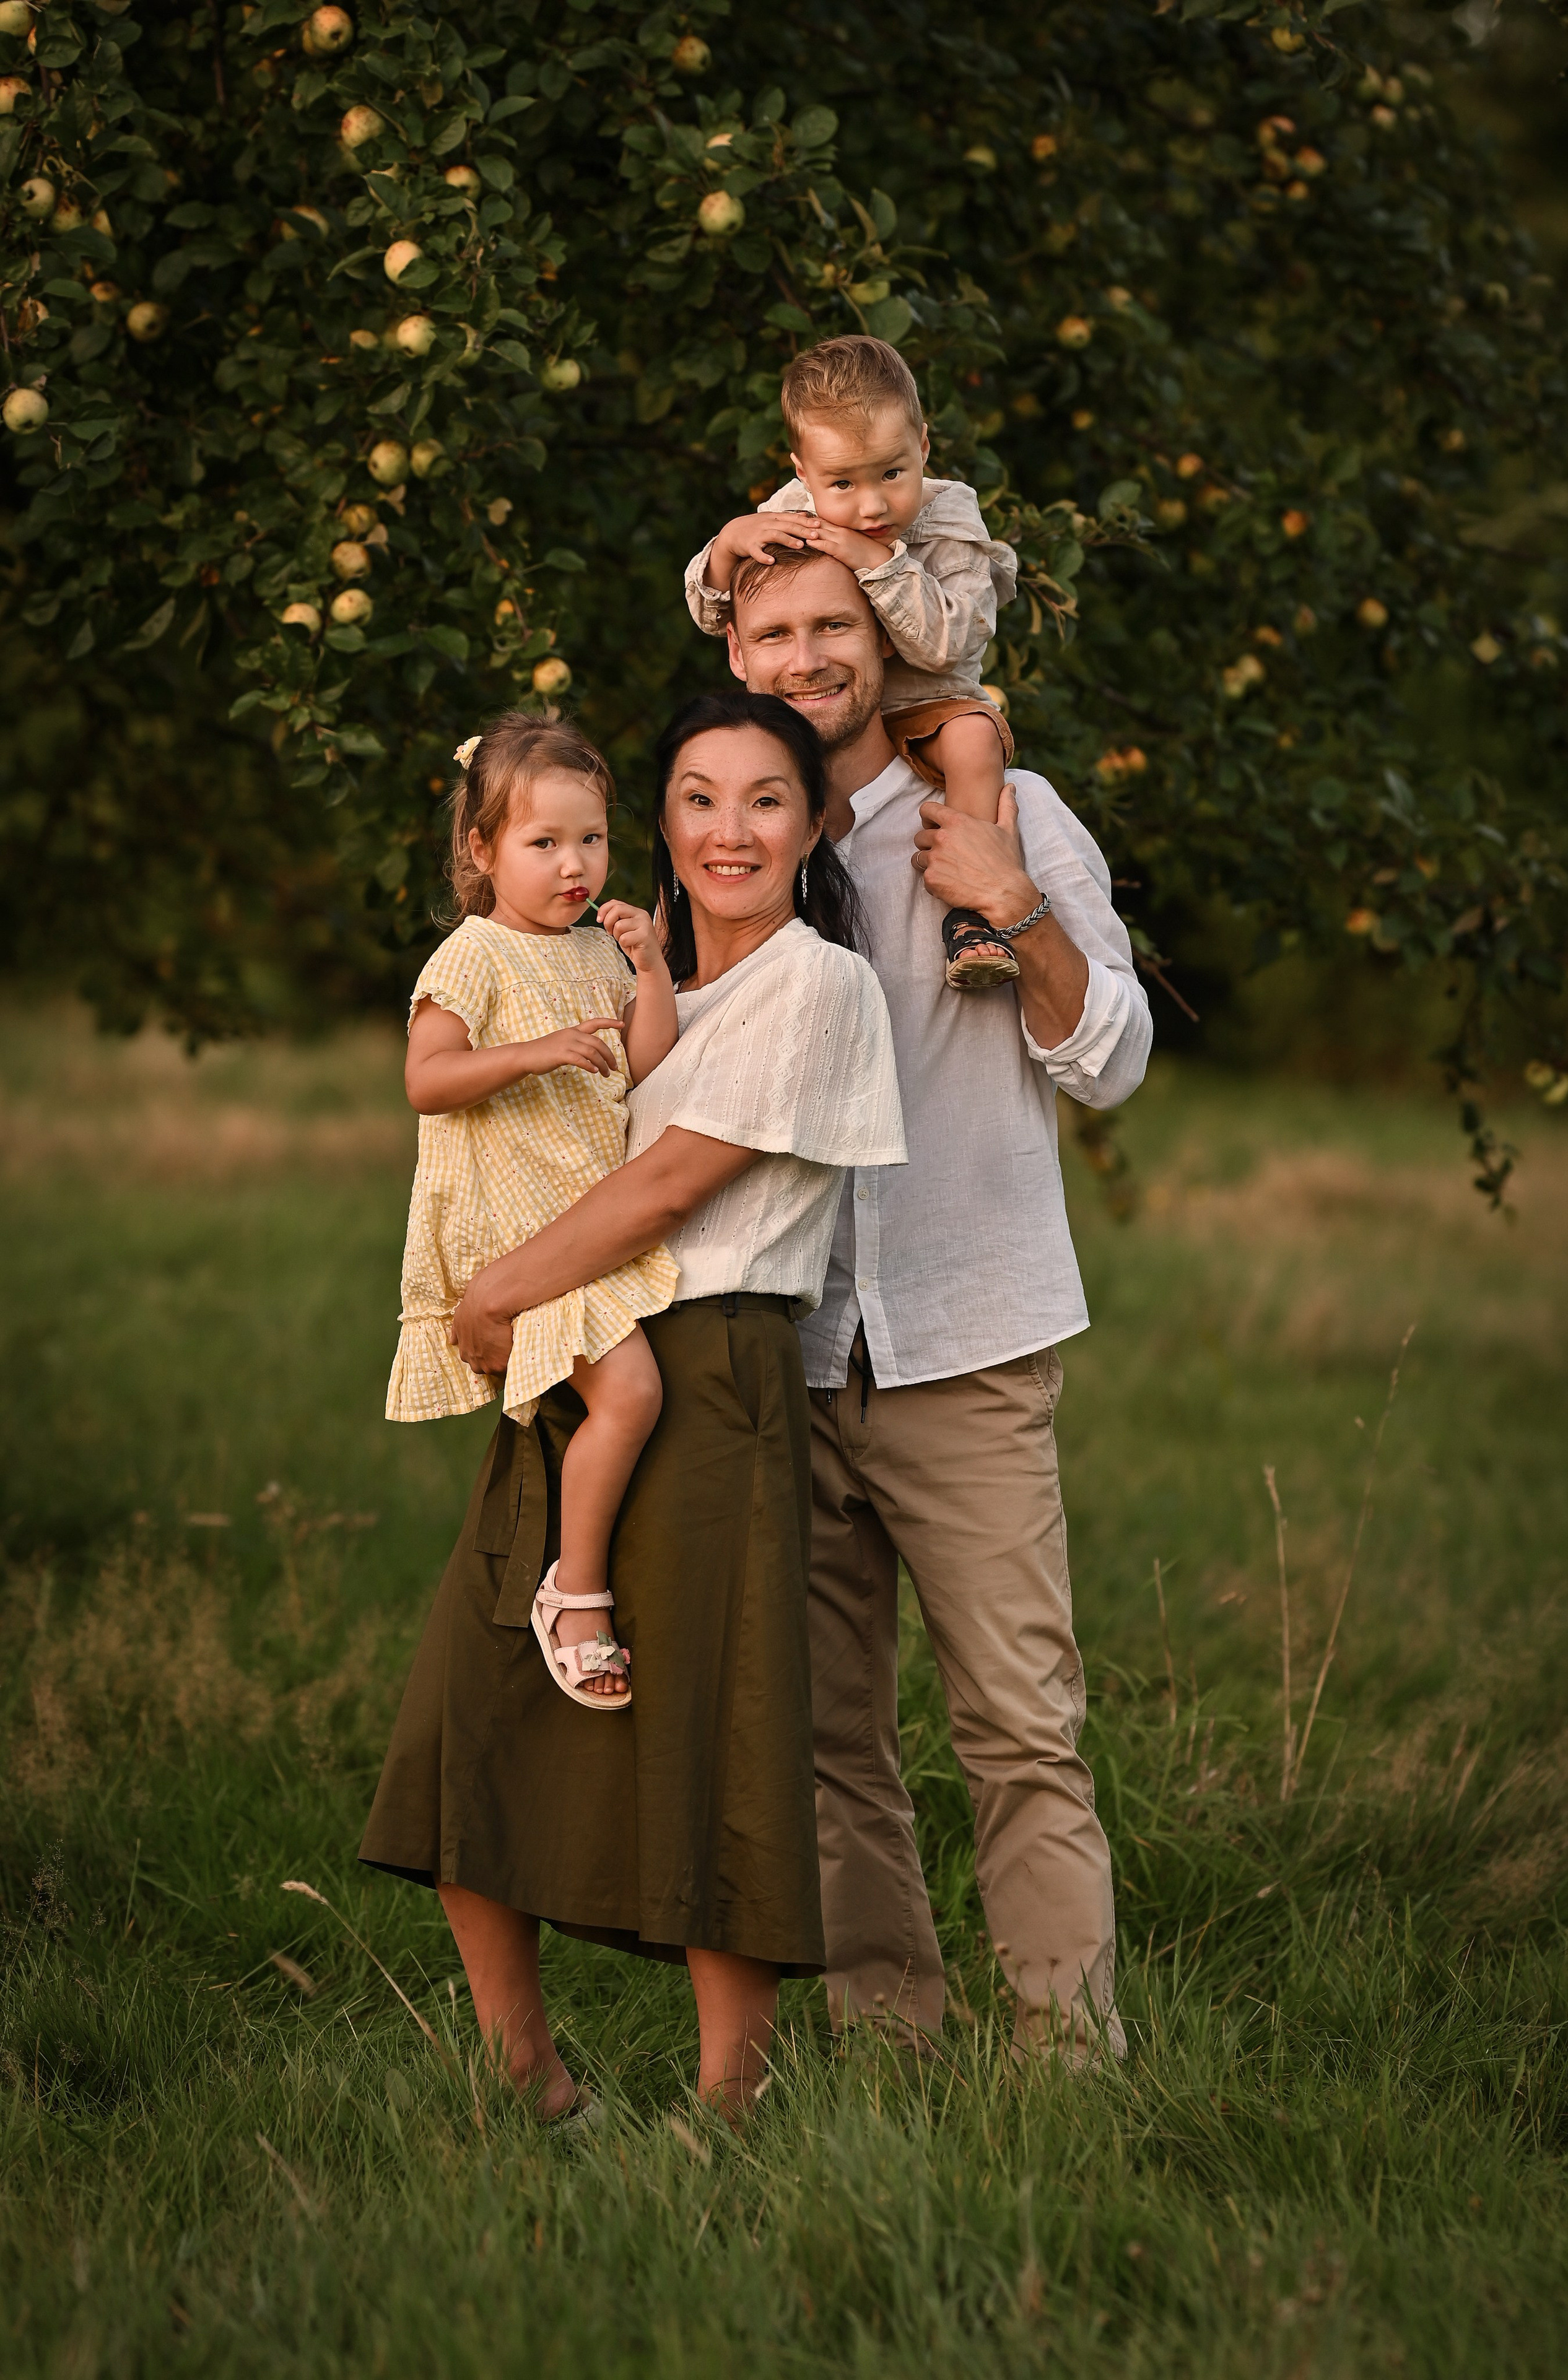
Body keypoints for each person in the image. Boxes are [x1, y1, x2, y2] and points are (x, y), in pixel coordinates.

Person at [360, 689, 907, 2117]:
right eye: (701, 799)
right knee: (468, 1718)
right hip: (581, 1347)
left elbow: (669, 1184)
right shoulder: (599, 975)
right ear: (663, 825)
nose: (730, 829)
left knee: (713, 1740)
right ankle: (527, 2080)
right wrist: (513, 1301)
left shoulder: (818, 985)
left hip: (709, 1370)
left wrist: (487, 1298)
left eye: (766, 799)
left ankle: (732, 2103)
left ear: (810, 824)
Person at [721, 540, 1153, 2065]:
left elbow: (1110, 1056)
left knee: (1021, 1730)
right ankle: (888, 2049)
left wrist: (1009, 907)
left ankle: (1066, 2068)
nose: (802, 657)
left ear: (885, 640)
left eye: (830, 624)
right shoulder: (730, 835)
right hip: (781, 1347)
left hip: (965, 1339)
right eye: (770, 631)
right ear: (736, 656)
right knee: (830, 1739)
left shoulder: (1007, 813)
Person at [385, 712, 679, 1708]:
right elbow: (428, 1079)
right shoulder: (475, 954)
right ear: (482, 850)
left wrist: (652, 973)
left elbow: (652, 1065)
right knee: (632, 1394)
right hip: (516, 1229)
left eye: (591, 839)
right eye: (543, 843)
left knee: (636, 1398)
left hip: (585, 1218)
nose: (574, 865)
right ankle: (575, 1589)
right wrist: (537, 1050)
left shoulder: (597, 950)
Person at [685, 334, 1021, 991]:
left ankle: (971, 914)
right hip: (830, 716)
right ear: (803, 473)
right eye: (842, 483)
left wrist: (880, 567)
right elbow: (714, 613)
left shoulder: (951, 524)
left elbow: (950, 645)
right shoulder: (791, 512)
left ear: (922, 446)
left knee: (979, 738)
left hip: (929, 705)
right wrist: (727, 548)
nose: (870, 506)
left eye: (892, 474)